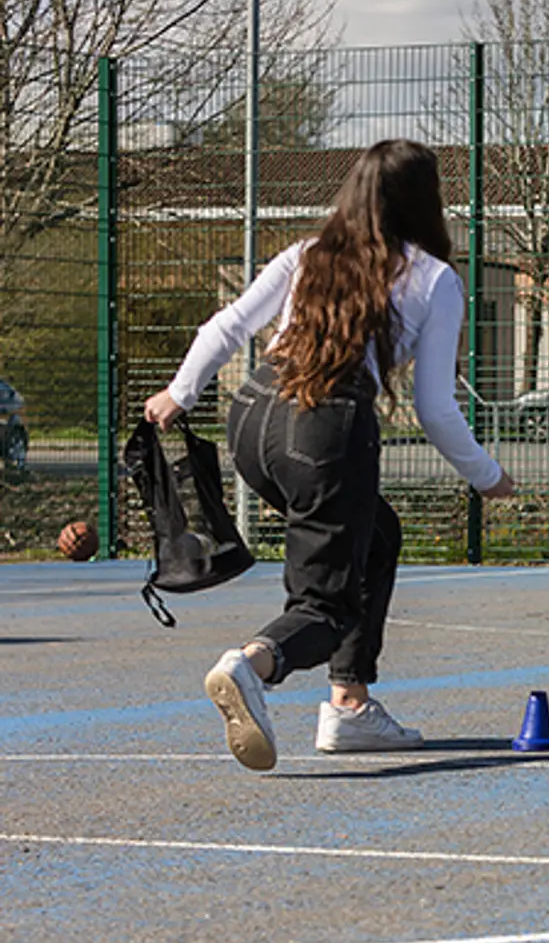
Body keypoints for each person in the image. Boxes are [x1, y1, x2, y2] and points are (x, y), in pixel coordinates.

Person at [144, 139, 515, 771]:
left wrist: (181, 392)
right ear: (427, 203)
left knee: (376, 537)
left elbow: (229, 325)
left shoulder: (306, 255)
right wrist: (487, 475)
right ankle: (253, 665)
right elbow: (435, 409)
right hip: (326, 428)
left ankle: (350, 701)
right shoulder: (435, 278)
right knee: (325, 602)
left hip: (253, 415)